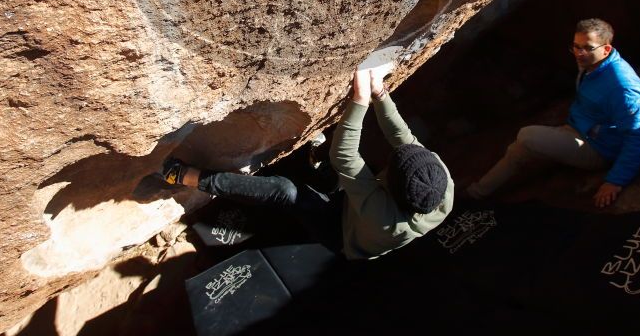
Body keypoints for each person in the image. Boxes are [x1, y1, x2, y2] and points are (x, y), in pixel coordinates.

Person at [161, 67, 454, 260]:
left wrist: (361, 99)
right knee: (332, 172)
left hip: (342, 234)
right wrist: (380, 93)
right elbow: (404, 138)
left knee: (288, 192)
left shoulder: (386, 220)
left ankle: (187, 177)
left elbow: (346, 156)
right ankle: (318, 164)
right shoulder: (439, 180)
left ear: (388, 187)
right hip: (361, 207)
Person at [467, 18, 640, 208]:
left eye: (587, 48)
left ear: (606, 49)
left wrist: (615, 181)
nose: (579, 53)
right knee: (518, 150)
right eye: (575, 46)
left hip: (599, 149)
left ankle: (477, 193)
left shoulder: (621, 86)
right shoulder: (592, 63)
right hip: (579, 129)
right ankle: (475, 194)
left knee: (527, 135)